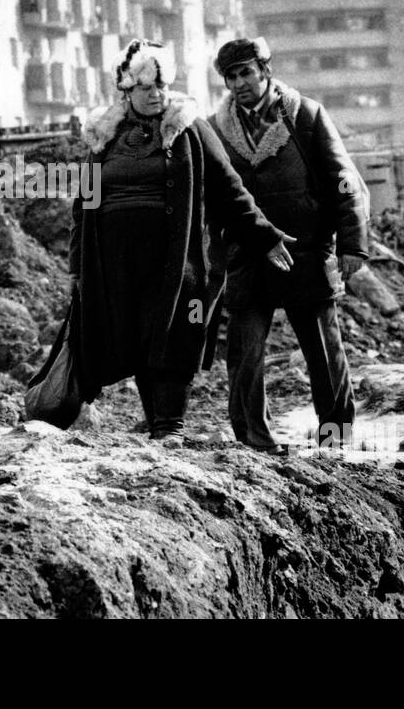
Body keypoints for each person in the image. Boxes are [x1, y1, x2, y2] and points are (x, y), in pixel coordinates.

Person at [68, 39, 294, 445]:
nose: (156, 95)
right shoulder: (102, 138)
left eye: (161, 86)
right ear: (126, 90)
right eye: (146, 88)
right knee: (135, 336)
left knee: (175, 332)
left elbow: (230, 190)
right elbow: (81, 208)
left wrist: (264, 235)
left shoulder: (190, 129)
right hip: (115, 261)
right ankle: (156, 422)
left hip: (177, 259)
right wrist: (77, 268)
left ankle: (171, 424)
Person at [207, 37, 370, 453]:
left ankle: (337, 439)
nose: (240, 82)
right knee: (245, 355)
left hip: (307, 250)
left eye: (247, 71)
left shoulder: (307, 117)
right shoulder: (215, 131)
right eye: (231, 76)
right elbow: (212, 198)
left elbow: (345, 182)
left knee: (323, 349)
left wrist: (352, 246)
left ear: (265, 70)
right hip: (248, 255)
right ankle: (254, 442)